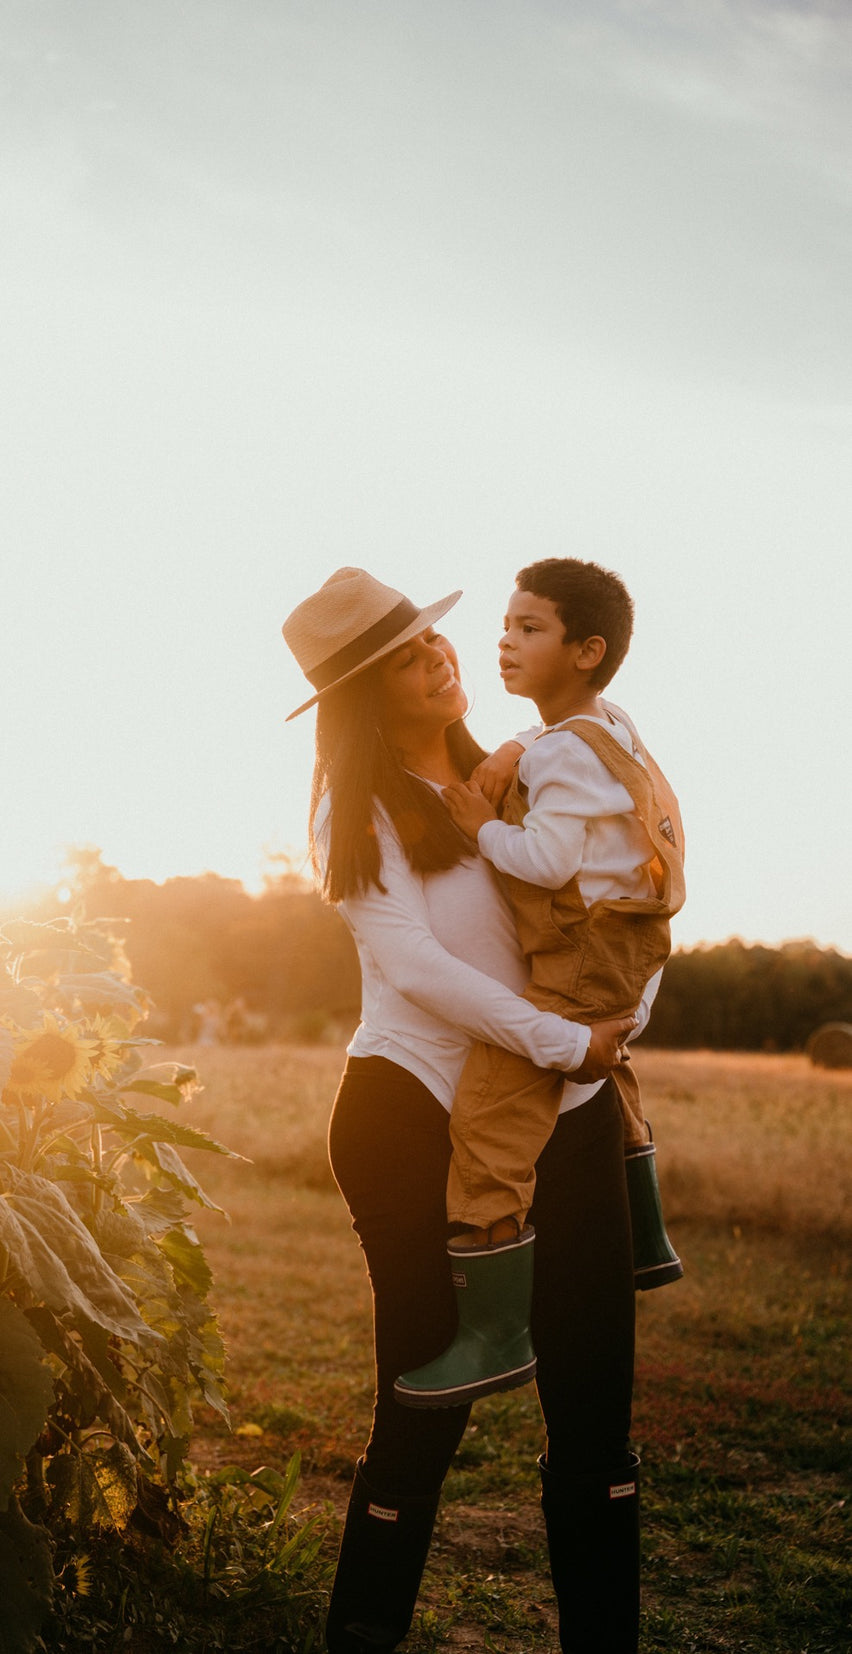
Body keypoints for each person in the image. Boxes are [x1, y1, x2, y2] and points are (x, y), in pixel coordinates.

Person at [282, 566, 648, 1654]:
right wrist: (558, 1040)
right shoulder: (351, 810)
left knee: (593, 1414)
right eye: (403, 654)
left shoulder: (534, 775)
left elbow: (614, 902)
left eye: (431, 637)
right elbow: (414, 966)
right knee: (425, 1408)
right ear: (359, 693)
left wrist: (610, 1025)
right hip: (410, 1115)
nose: (437, 655)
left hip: (556, 1105)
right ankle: (362, 1633)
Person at [395, 557, 684, 1411]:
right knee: (615, 1077)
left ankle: (493, 1334)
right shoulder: (613, 728)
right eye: (507, 624)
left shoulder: (559, 759)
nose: (505, 641)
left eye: (530, 628)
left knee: (489, 1122)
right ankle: (646, 1234)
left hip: (580, 958)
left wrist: (485, 828)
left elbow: (547, 858)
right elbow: (577, 759)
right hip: (633, 949)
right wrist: (525, 740)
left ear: (586, 650)